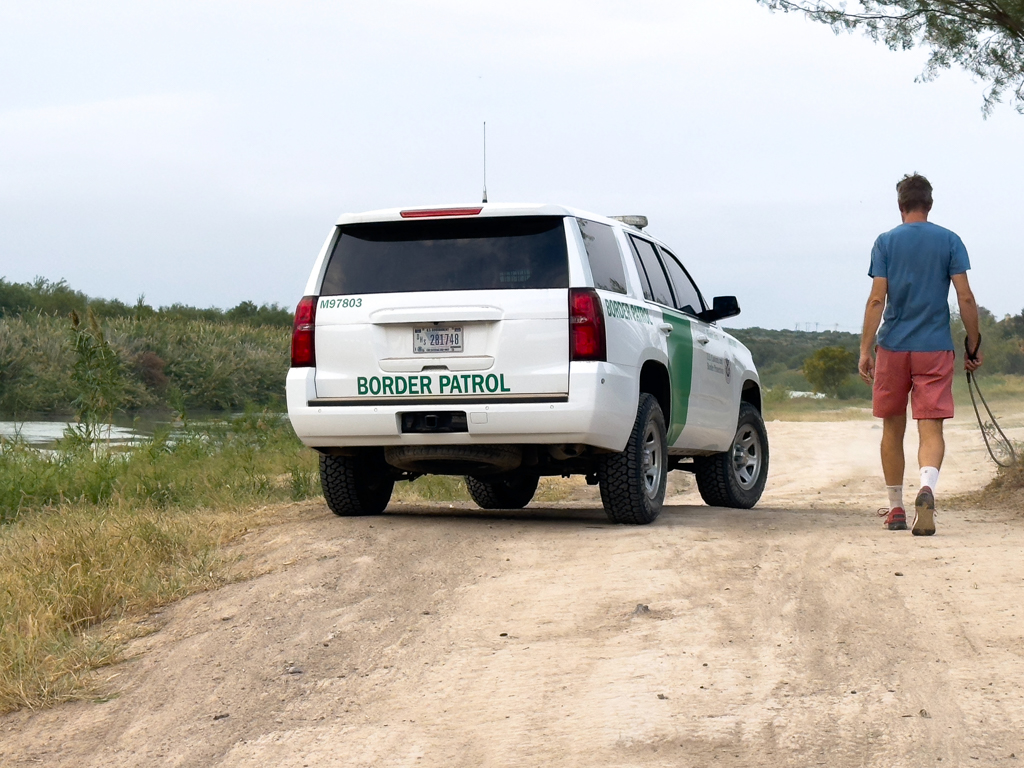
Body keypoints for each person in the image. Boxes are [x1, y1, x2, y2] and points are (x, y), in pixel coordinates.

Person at [858, 173, 982, 536]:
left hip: (894, 347)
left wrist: (866, 349)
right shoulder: (950, 241)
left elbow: (877, 299)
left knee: (892, 427)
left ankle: (896, 508)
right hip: (934, 348)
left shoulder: (885, 242)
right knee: (931, 428)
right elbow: (966, 298)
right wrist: (973, 343)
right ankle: (927, 488)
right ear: (929, 204)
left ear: (901, 206)